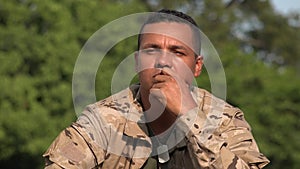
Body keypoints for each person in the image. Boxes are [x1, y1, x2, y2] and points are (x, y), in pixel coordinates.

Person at [43, 9, 270, 168]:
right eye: (152, 50)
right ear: (136, 62)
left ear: (197, 66)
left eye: (177, 52)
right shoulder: (102, 121)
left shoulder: (225, 120)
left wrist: (191, 115)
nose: (163, 61)